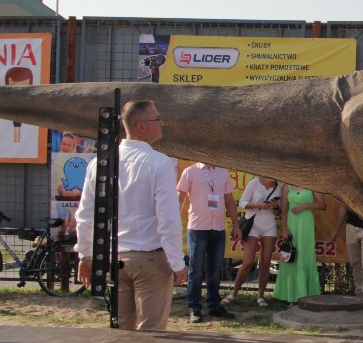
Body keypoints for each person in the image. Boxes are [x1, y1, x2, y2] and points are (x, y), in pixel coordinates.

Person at [75, 100, 188, 331]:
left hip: (115, 256)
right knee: (152, 331)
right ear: (141, 126)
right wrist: (177, 261)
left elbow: (87, 215)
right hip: (150, 259)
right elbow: (168, 217)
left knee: (122, 330)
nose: (163, 124)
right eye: (157, 119)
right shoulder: (159, 163)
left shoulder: (100, 163)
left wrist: (86, 255)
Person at [177, 162, 240, 323]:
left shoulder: (223, 172)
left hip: (217, 228)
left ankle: (214, 306)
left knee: (215, 269)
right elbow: (180, 198)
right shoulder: (190, 171)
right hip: (198, 228)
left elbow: (230, 200)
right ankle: (194, 308)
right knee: (196, 269)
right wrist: (173, 220)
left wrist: (236, 225)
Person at [225, 176, 282, 306]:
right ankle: (233, 293)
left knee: (266, 262)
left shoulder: (279, 189)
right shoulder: (255, 182)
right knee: (248, 261)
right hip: (252, 223)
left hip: (269, 225)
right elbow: (242, 203)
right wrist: (258, 205)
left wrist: (275, 206)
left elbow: (279, 212)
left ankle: (261, 296)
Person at [272, 183, 325, 302]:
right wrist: (284, 230)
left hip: (306, 223)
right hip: (292, 223)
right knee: (291, 257)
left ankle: (306, 294)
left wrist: (305, 206)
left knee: (305, 255)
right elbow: (284, 210)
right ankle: (289, 295)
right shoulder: (287, 186)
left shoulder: (313, 184)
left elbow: (322, 204)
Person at [330, 202, 363, 298]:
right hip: (351, 226)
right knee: (355, 263)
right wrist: (336, 230)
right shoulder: (350, 188)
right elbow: (343, 207)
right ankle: (359, 293)